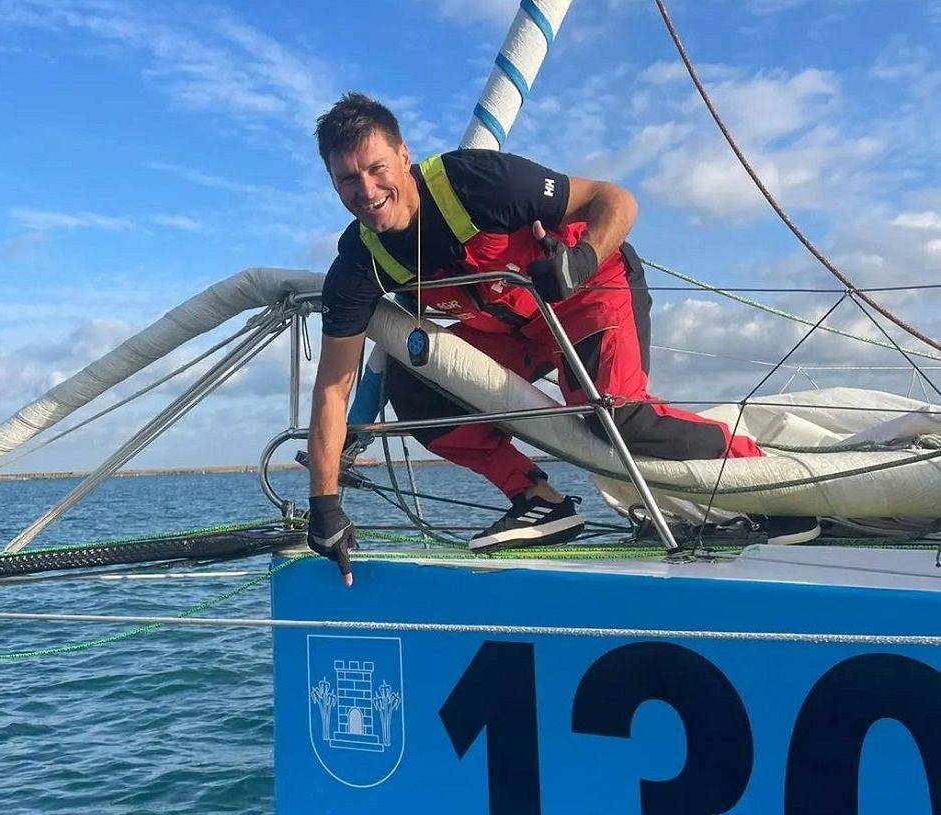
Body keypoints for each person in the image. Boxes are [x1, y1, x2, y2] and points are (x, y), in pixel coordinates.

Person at [306, 92, 818, 585]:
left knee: (617, 417)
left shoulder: (478, 182)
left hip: (587, 290)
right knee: (414, 386)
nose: (366, 190)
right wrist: (324, 506)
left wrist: (582, 259)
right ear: (333, 185)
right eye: (348, 179)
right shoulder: (358, 265)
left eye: (376, 168)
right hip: (512, 329)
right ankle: (538, 502)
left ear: (404, 156)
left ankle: (773, 488)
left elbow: (612, 199)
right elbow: (333, 387)